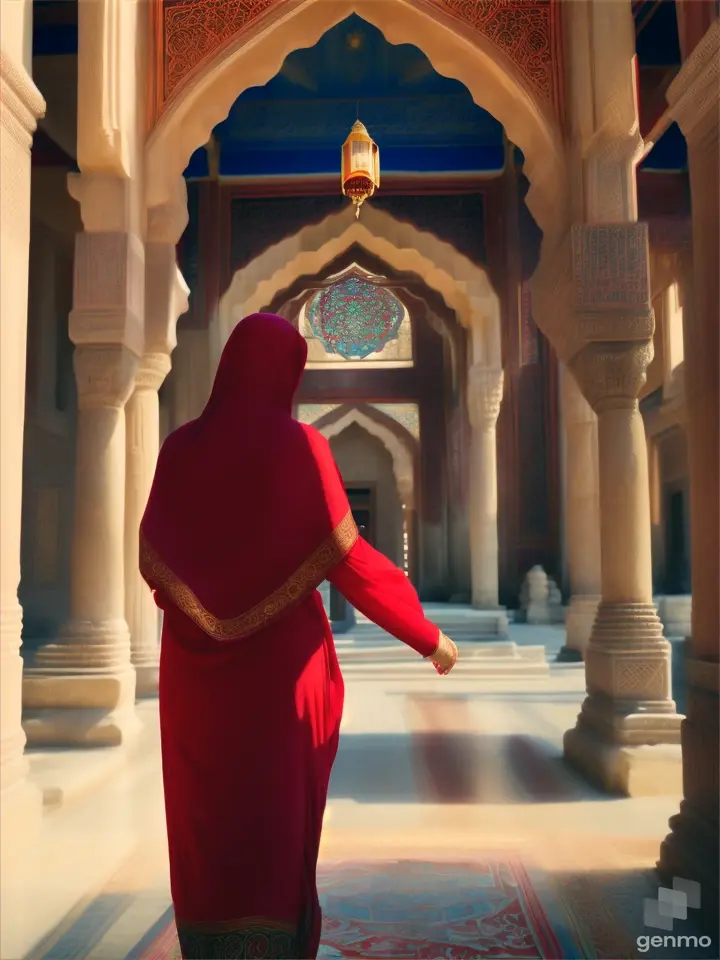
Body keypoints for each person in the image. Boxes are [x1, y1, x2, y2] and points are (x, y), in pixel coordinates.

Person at [139, 313, 458, 960]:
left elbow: (156, 560)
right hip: (283, 680)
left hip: (195, 682)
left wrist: (207, 606)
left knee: (208, 817)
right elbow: (352, 559)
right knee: (277, 815)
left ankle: (210, 940)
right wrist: (425, 636)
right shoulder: (301, 447)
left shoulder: (179, 448)